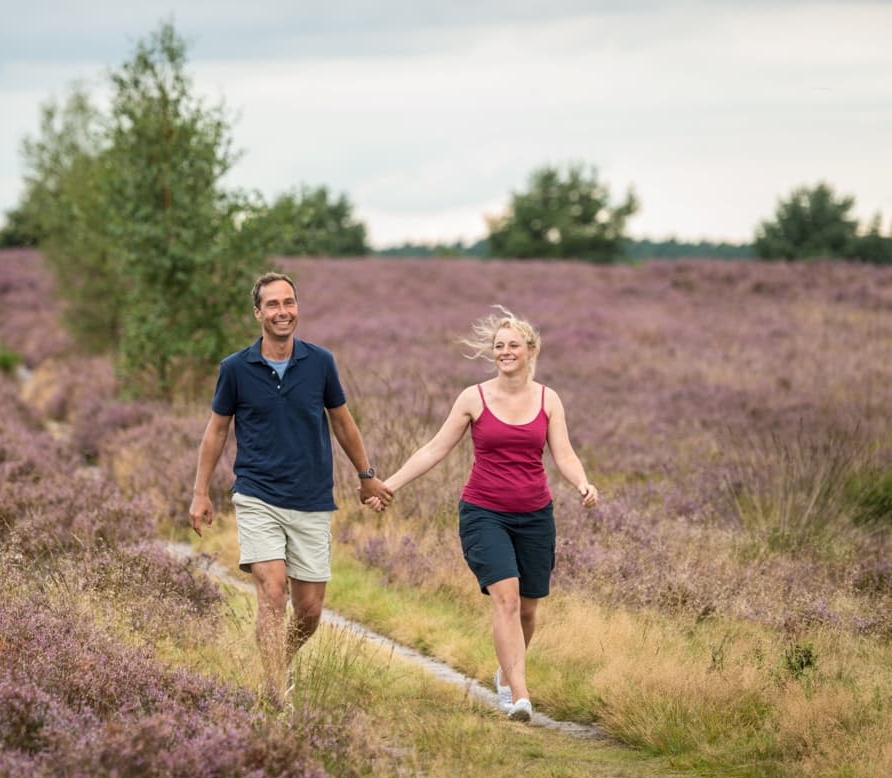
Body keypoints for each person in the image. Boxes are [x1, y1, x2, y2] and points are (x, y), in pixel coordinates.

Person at [365, 306, 598, 723]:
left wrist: (583, 483)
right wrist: (390, 485)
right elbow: (435, 448)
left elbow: (563, 453)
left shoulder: (549, 400)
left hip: (535, 515)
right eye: (498, 346)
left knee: (528, 609)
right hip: (483, 512)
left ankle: (506, 673)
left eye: (513, 345)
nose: (505, 352)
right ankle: (519, 694)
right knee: (505, 598)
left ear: (531, 350)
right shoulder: (473, 397)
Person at [189, 271, 394, 707]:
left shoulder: (320, 362)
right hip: (257, 494)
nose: (283, 312)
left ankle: (278, 659)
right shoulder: (235, 369)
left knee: (309, 609)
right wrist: (200, 492)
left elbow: (342, 420)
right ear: (258, 313)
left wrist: (365, 474)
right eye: (273, 305)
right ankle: (275, 689)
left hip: (311, 499)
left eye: (289, 303)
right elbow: (216, 431)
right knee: (273, 591)